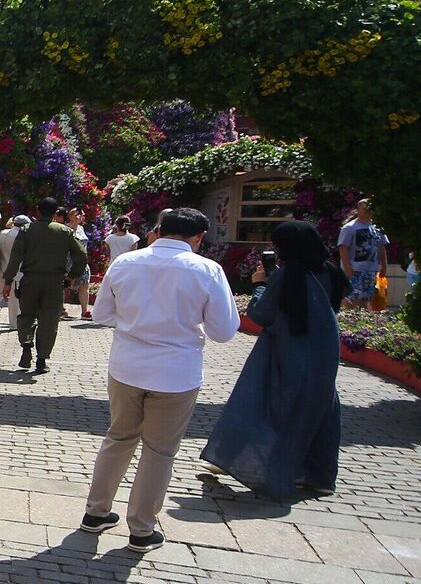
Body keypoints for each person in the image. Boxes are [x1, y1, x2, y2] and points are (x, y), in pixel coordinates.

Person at [79, 207, 240, 552]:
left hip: (127, 366)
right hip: (175, 373)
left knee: (119, 437)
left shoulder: (126, 263)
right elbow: (224, 331)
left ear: (158, 230)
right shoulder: (207, 270)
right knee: (159, 451)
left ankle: (96, 512)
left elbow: (102, 313)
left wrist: (137, 320)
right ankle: (141, 528)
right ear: (199, 238)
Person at [201, 221, 346, 498]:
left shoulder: (286, 276)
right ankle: (318, 475)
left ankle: (250, 463)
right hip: (324, 354)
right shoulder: (331, 272)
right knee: (322, 411)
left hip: (287, 352)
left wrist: (259, 285)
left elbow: (262, 314)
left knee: (264, 404)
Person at [3, 198, 88, 374]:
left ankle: (26, 347)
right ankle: (42, 360)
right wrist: (72, 276)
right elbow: (81, 255)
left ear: (37, 211)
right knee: (48, 320)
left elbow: (15, 258)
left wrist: (8, 281)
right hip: (55, 282)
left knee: (26, 315)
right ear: (56, 212)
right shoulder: (64, 232)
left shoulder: (26, 230)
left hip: (30, 281)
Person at [336, 199, 388, 310]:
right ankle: (348, 322)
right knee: (351, 299)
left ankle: (360, 321)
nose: (367, 211)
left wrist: (384, 266)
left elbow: (381, 247)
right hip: (355, 270)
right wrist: (348, 269)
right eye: (364, 208)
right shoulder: (350, 228)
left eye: (370, 208)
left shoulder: (377, 228)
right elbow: (343, 249)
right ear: (358, 210)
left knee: (365, 299)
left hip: (371, 270)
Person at [64, 208, 94, 321]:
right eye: (74, 214)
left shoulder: (81, 228)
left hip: (82, 261)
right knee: (65, 286)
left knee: (84, 285)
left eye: (79, 214)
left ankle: (84, 311)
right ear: (70, 216)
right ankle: (61, 309)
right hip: (68, 261)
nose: (78, 216)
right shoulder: (66, 228)